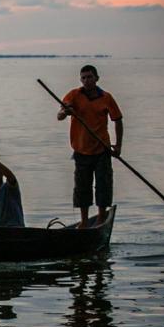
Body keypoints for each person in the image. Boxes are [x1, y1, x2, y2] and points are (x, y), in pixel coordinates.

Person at [57, 64, 123, 228]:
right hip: (81, 150)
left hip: (102, 149)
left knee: (103, 184)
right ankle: (85, 221)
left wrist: (118, 146)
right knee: (82, 187)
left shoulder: (106, 97)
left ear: (97, 78)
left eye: (90, 77)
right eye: (84, 77)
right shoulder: (74, 95)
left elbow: (118, 120)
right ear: (81, 79)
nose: (86, 80)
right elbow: (60, 115)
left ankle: (101, 218)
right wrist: (66, 112)